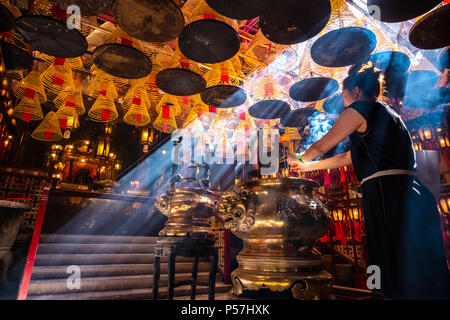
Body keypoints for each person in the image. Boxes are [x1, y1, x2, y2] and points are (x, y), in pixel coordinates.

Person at [288, 64, 449, 300]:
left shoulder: (359, 109)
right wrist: (308, 166)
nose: (343, 103)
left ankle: (381, 293)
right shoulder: (389, 115)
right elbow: (348, 157)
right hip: (409, 189)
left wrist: (299, 157)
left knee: (382, 248)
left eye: (343, 97)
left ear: (354, 91)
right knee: (416, 250)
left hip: (386, 191)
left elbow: (324, 145)